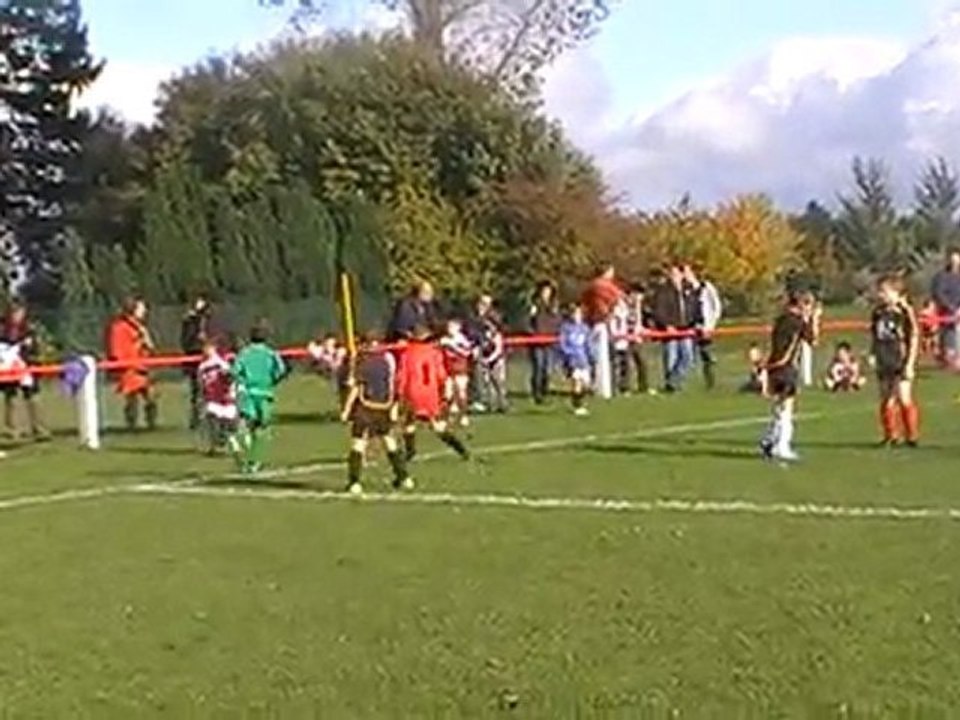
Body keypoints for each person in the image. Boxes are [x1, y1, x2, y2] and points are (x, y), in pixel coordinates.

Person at [341, 333, 411, 495]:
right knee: (388, 441)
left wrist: (346, 409)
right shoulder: (385, 362)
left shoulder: (362, 363)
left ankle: (354, 482)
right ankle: (404, 477)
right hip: (383, 407)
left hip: (366, 407)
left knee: (358, 443)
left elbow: (356, 388)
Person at [759, 290, 821, 462]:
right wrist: (814, 319)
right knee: (786, 408)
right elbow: (813, 340)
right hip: (786, 367)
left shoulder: (781, 320)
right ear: (802, 305)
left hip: (775, 366)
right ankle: (781, 445)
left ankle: (769, 440)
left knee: (779, 407)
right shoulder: (797, 322)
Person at [397, 325, 471, 463]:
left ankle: (410, 451)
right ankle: (461, 449)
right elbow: (441, 375)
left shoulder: (407, 353)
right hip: (430, 394)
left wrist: (400, 393)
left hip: (413, 393)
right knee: (437, 426)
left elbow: (402, 377)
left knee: (409, 422)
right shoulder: (434, 352)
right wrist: (443, 393)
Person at [232, 320, 290, 474]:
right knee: (262, 429)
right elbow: (281, 371)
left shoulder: (244, 353)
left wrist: (243, 382)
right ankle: (255, 461)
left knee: (244, 426)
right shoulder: (271, 354)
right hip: (265, 394)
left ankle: (241, 452)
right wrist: (272, 381)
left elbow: (235, 372)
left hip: (248, 394)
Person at [871, 276, 920, 448]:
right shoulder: (878, 312)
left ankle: (912, 435)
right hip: (884, 358)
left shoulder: (904, 312)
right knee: (886, 397)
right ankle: (891, 435)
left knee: (903, 396)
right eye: (880, 291)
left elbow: (913, 336)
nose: (880, 295)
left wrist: (910, 363)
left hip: (900, 358)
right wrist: (873, 354)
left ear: (896, 293)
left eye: (884, 291)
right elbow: (875, 336)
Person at [107, 297, 158, 431]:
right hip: (130, 367)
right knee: (132, 398)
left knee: (151, 396)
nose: (144, 311)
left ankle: (151, 423)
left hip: (143, 366)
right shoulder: (119, 327)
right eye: (141, 308)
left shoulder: (140, 327)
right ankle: (131, 424)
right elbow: (118, 349)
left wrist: (146, 342)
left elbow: (150, 347)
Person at [0, 301, 48, 441]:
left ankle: (40, 429)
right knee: (12, 399)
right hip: (10, 368)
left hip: (27, 366)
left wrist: (33, 356)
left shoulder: (29, 328)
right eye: (14, 311)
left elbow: (36, 347)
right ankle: (12, 430)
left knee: (33, 398)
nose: (17, 314)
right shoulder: (3, 328)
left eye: (20, 310)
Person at [581, 264, 623, 399]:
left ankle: (599, 384)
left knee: (597, 356)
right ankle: (604, 386)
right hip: (601, 324)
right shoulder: (603, 287)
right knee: (604, 356)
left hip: (594, 323)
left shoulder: (590, 287)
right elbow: (617, 298)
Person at [651, 263, 694, 393]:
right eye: (672, 274)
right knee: (671, 357)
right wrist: (667, 325)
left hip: (685, 329)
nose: (674, 277)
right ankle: (671, 385)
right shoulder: (663, 291)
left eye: (676, 274)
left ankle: (675, 380)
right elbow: (659, 311)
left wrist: (694, 323)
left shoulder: (687, 289)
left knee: (687, 357)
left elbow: (693, 307)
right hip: (670, 331)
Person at [196, 339, 240, 456]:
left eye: (208, 347)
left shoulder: (221, 363)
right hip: (212, 398)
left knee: (229, 425)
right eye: (204, 348)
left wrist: (231, 392)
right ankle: (214, 446)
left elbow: (230, 378)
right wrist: (202, 397)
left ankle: (233, 444)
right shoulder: (202, 366)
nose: (205, 350)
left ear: (214, 348)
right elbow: (201, 383)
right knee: (212, 420)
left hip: (224, 399)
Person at [684, 265, 723, 389]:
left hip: (705, 326)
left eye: (687, 272)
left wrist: (711, 325)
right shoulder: (685, 290)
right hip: (691, 326)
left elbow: (716, 306)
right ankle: (686, 381)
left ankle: (710, 381)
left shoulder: (706, 287)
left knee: (706, 354)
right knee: (688, 355)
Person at [180, 294, 212, 430]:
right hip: (195, 360)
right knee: (197, 391)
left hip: (207, 360)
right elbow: (186, 341)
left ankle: (209, 417)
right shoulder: (190, 321)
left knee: (209, 389)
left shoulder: (206, 320)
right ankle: (197, 419)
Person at [559, 303, 594, 417]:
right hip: (573, 361)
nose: (577, 316)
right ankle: (578, 406)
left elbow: (588, 344)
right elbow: (563, 344)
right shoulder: (566, 328)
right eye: (575, 314)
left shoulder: (585, 328)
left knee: (586, 384)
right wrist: (568, 355)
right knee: (576, 383)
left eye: (579, 314)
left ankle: (579, 402)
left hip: (583, 360)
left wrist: (591, 357)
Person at [528, 281, 561, 404]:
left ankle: (544, 390)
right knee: (538, 367)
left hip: (550, 340)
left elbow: (558, 321)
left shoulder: (554, 306)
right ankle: (537, 393)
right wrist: (532, 334)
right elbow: (529, 322)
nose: (546, 294)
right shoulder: (535, 306)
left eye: (548, 291)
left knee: (548, 369)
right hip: (537, 341)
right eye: (544, 291)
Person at [439, 318, 474, 427]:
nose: (450, 329)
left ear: (458, 328)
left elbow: (467, 352)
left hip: (460, 370)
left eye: (452, 327)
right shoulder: (444, 339)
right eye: (448, 327)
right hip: (448, 370)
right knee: (447, 395)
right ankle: (446, 418)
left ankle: (464, 415)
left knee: (461, 393)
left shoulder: (462, 340)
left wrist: (452, 346)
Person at [930, 249, 960, 368]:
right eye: (952, 259)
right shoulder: (941, 277)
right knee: (949, 338)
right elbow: (938, 294)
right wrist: (952, 308)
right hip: (947, 314)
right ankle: (947, 357)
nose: (955, 262)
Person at [477, 308, 508, 415]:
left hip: (497, 362)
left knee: (499, 383)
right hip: (486, 361)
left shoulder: (497, 336)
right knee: (488, 383)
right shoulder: (484, 335)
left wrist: (489, 360)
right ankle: (491, 404)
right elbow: (481, 346)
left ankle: (503, 404)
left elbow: (498, 350)